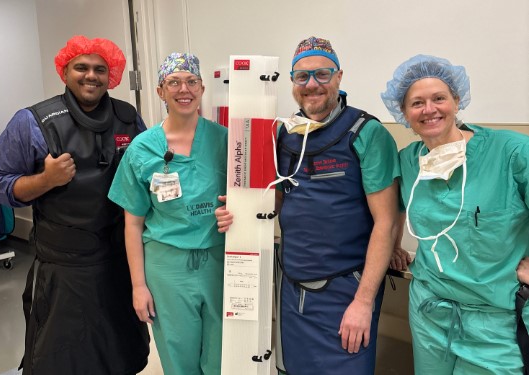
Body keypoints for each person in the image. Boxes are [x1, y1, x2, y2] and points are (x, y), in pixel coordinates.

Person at [216, 36, 400, 375]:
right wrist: (238, 208)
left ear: (339, 77)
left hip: (347, 292)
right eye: (302, 77)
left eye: (322, 75)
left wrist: (363, 302)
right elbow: (279, 198)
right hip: (293, 288)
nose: (311, 85)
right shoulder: (286, 135)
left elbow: (386, 222)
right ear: (291, 83)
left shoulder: (366, 134)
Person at [0, 35, 150, 374]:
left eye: (100, 69)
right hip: (64, 269)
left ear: (112, 75)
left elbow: (151, 171)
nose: (91, 76)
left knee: (122, 354)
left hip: (120, 264)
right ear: (65, 71)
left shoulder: (128, 118)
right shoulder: (32, 121)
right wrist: (46, 180)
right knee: (62, 360)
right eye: (81, 67)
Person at [382, 54, 529, 374]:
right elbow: (394, 210)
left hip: (496, 320)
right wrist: (394, 245)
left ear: (457, 100)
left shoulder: (510, 152)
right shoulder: (408, 161)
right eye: (416, 103)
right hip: (430, 312)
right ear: (404, 113)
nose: (429, 109)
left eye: (439, 98)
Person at [108, 52, 227, 375]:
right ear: (160, 91)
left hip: (219, 263)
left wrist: (235, 213)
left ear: (202, 88)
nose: (183, 89)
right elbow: (132, 224)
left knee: (221, 356)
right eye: (173, 82)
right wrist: (138, 286)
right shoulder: (142, 149)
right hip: (167, 269)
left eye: (191, 81)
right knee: (178, 357)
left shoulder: (226, 141)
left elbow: (247, 200)